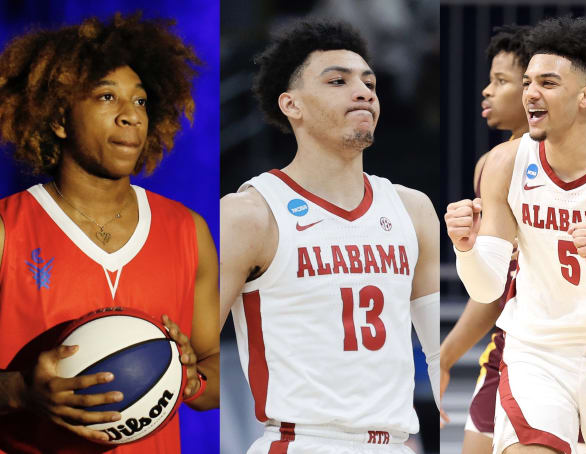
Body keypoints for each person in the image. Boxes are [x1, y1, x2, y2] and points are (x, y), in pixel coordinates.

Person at [0, 13, 219, 454]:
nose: (130, 117)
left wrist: (191, 377)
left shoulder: (189, 230)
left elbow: (216, 373)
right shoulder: (8, 229)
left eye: (140, 102)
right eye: (107, 97)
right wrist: (22, 390)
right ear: (60, 119)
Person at [220, 19, 440, 453]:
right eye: (338, 80)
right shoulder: (250, 213)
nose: (363, 91)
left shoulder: (413, 209)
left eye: (369, 82)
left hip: (397, 443)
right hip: (306, 441)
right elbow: (189, 351)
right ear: (291, 105)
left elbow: (439, 351)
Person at [445, 16, 586, 454]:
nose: (530, 94)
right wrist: (465, 249)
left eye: (547, 82)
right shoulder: (506, 164)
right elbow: (487, 287)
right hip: (536, 353)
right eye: (526, 83)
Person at [439, 24, 529, 451]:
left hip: (570, 349)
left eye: (500, 81)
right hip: (508, 348)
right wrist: (445, 355)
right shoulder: (489, 164)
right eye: (490, 79)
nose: (486, 92)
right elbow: (493, 286)